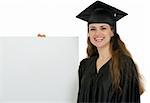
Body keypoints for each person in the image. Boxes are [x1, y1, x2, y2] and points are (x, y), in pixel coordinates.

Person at [76, 1, 144, 103]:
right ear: (88, 33)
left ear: (112, 32)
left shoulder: (124, 65)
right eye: (92, 29)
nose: (97, 33)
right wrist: (44, 45)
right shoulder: (85, 65)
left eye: (103, 28)